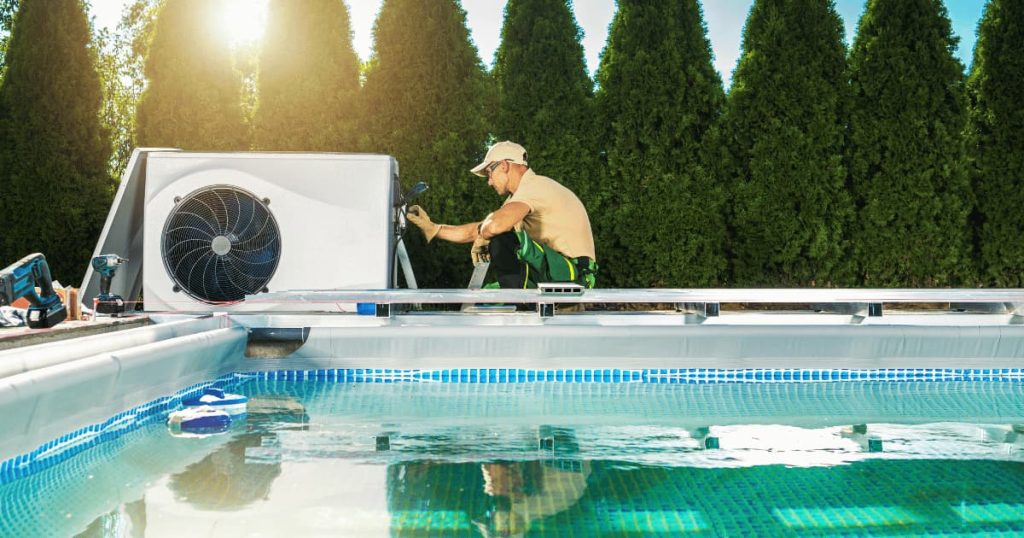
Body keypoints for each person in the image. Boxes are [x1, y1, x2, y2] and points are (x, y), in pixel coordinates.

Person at [406, 141, 597, 289]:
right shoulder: (519, 198)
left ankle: (520, 302)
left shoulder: (535, 186)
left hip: (576, 274)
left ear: (504, 165)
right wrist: (433, 228)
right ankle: (515, 300)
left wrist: (486, 233)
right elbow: (479, 229)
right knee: (487, 297)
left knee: (503, 240)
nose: (489, 182)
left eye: (490, 172)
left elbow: (494, 227)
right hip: (556, 272)